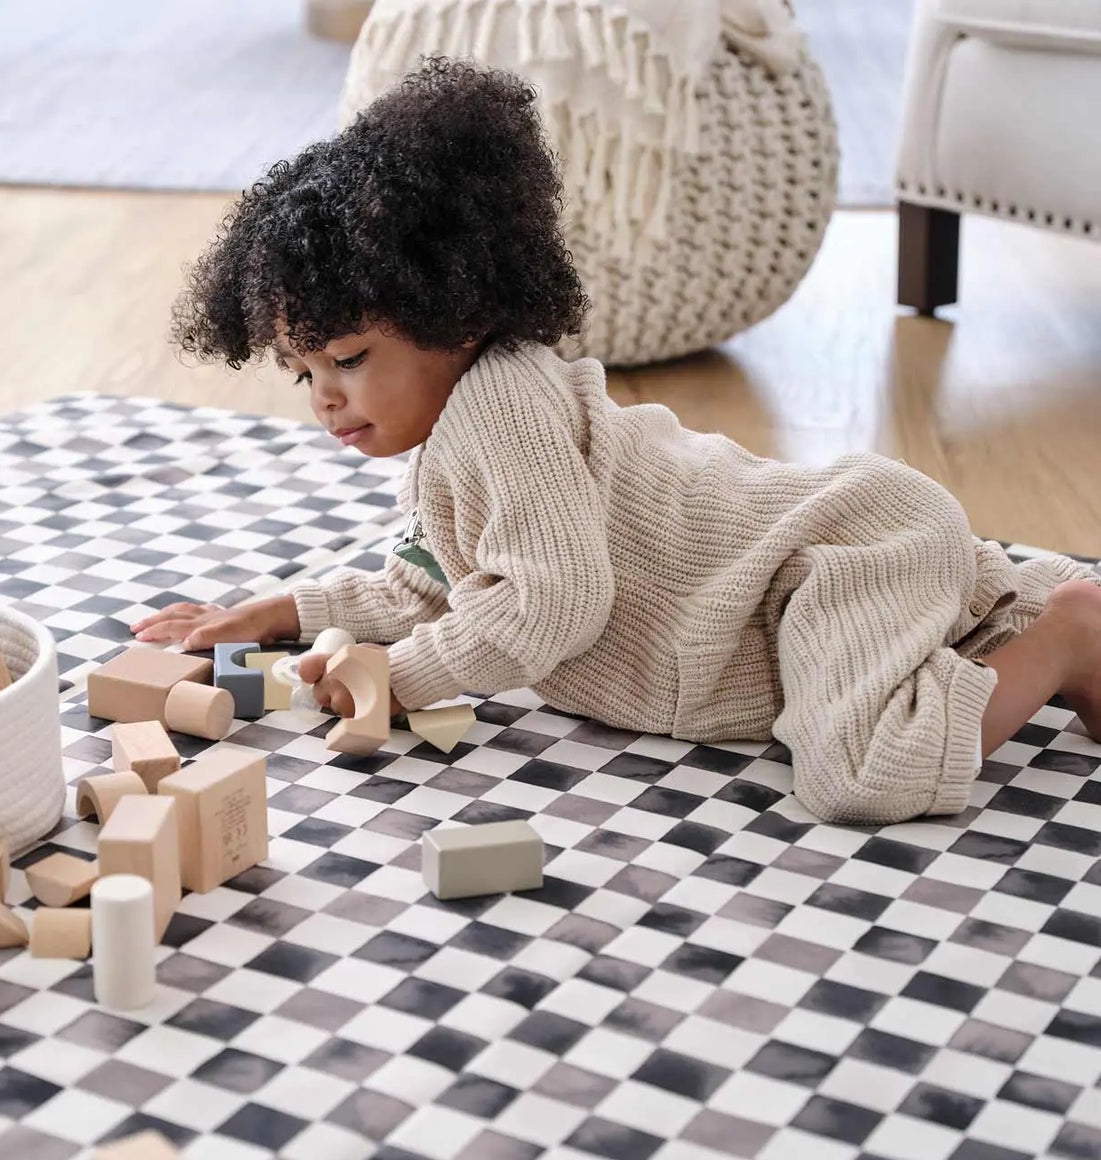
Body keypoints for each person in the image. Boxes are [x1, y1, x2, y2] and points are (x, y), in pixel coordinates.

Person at [135, 58, 1101, 826]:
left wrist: (403, 673)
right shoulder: (453, 435)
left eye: (347, 357)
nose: (325, 399)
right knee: (946, 613)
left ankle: (1065, 635)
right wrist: (282, 611)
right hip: (806, 571)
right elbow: (430, 583)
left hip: (834, 558)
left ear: (457, 308)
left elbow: (551, 602)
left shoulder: (501, 405)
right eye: (304, 374)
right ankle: (1027, 611)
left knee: (861, 773)